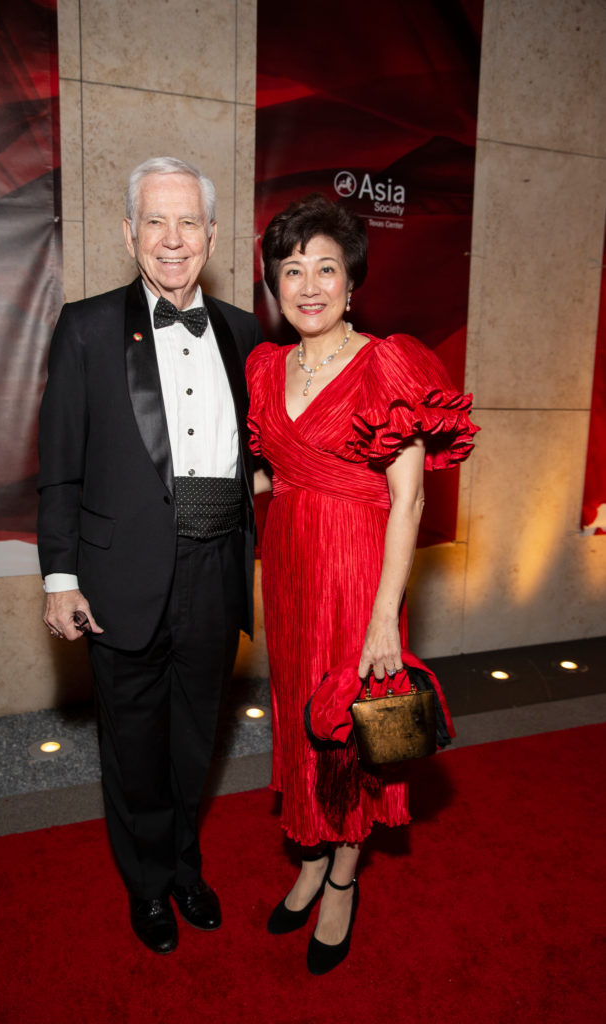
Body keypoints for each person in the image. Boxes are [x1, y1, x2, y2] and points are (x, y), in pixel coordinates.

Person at [246, 194, 478, 974]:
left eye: (324, 268)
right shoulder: (265, 366)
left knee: (352, 728)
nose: (307, 285)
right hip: (287, 569)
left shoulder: (389, 363)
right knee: (298, 714)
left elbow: (407, 498)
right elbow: (267, 470)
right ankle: (310, 851)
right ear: (274, 286)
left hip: (358, 573)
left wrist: (385, 620)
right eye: (290, 270)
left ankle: (343, 872)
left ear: (351, 282)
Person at [37, 156, 263, 955]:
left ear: (211, 234)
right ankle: (146, 887)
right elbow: (59, 463)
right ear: (130, 232)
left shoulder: (242, 330)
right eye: (156, 222)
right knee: (132, 746)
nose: (173, 240)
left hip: (215, 570)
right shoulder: (88, 326)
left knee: (193, 740)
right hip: (118, 576)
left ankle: (185, 868)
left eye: (189, 222)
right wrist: (59, 576)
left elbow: (259, 450)